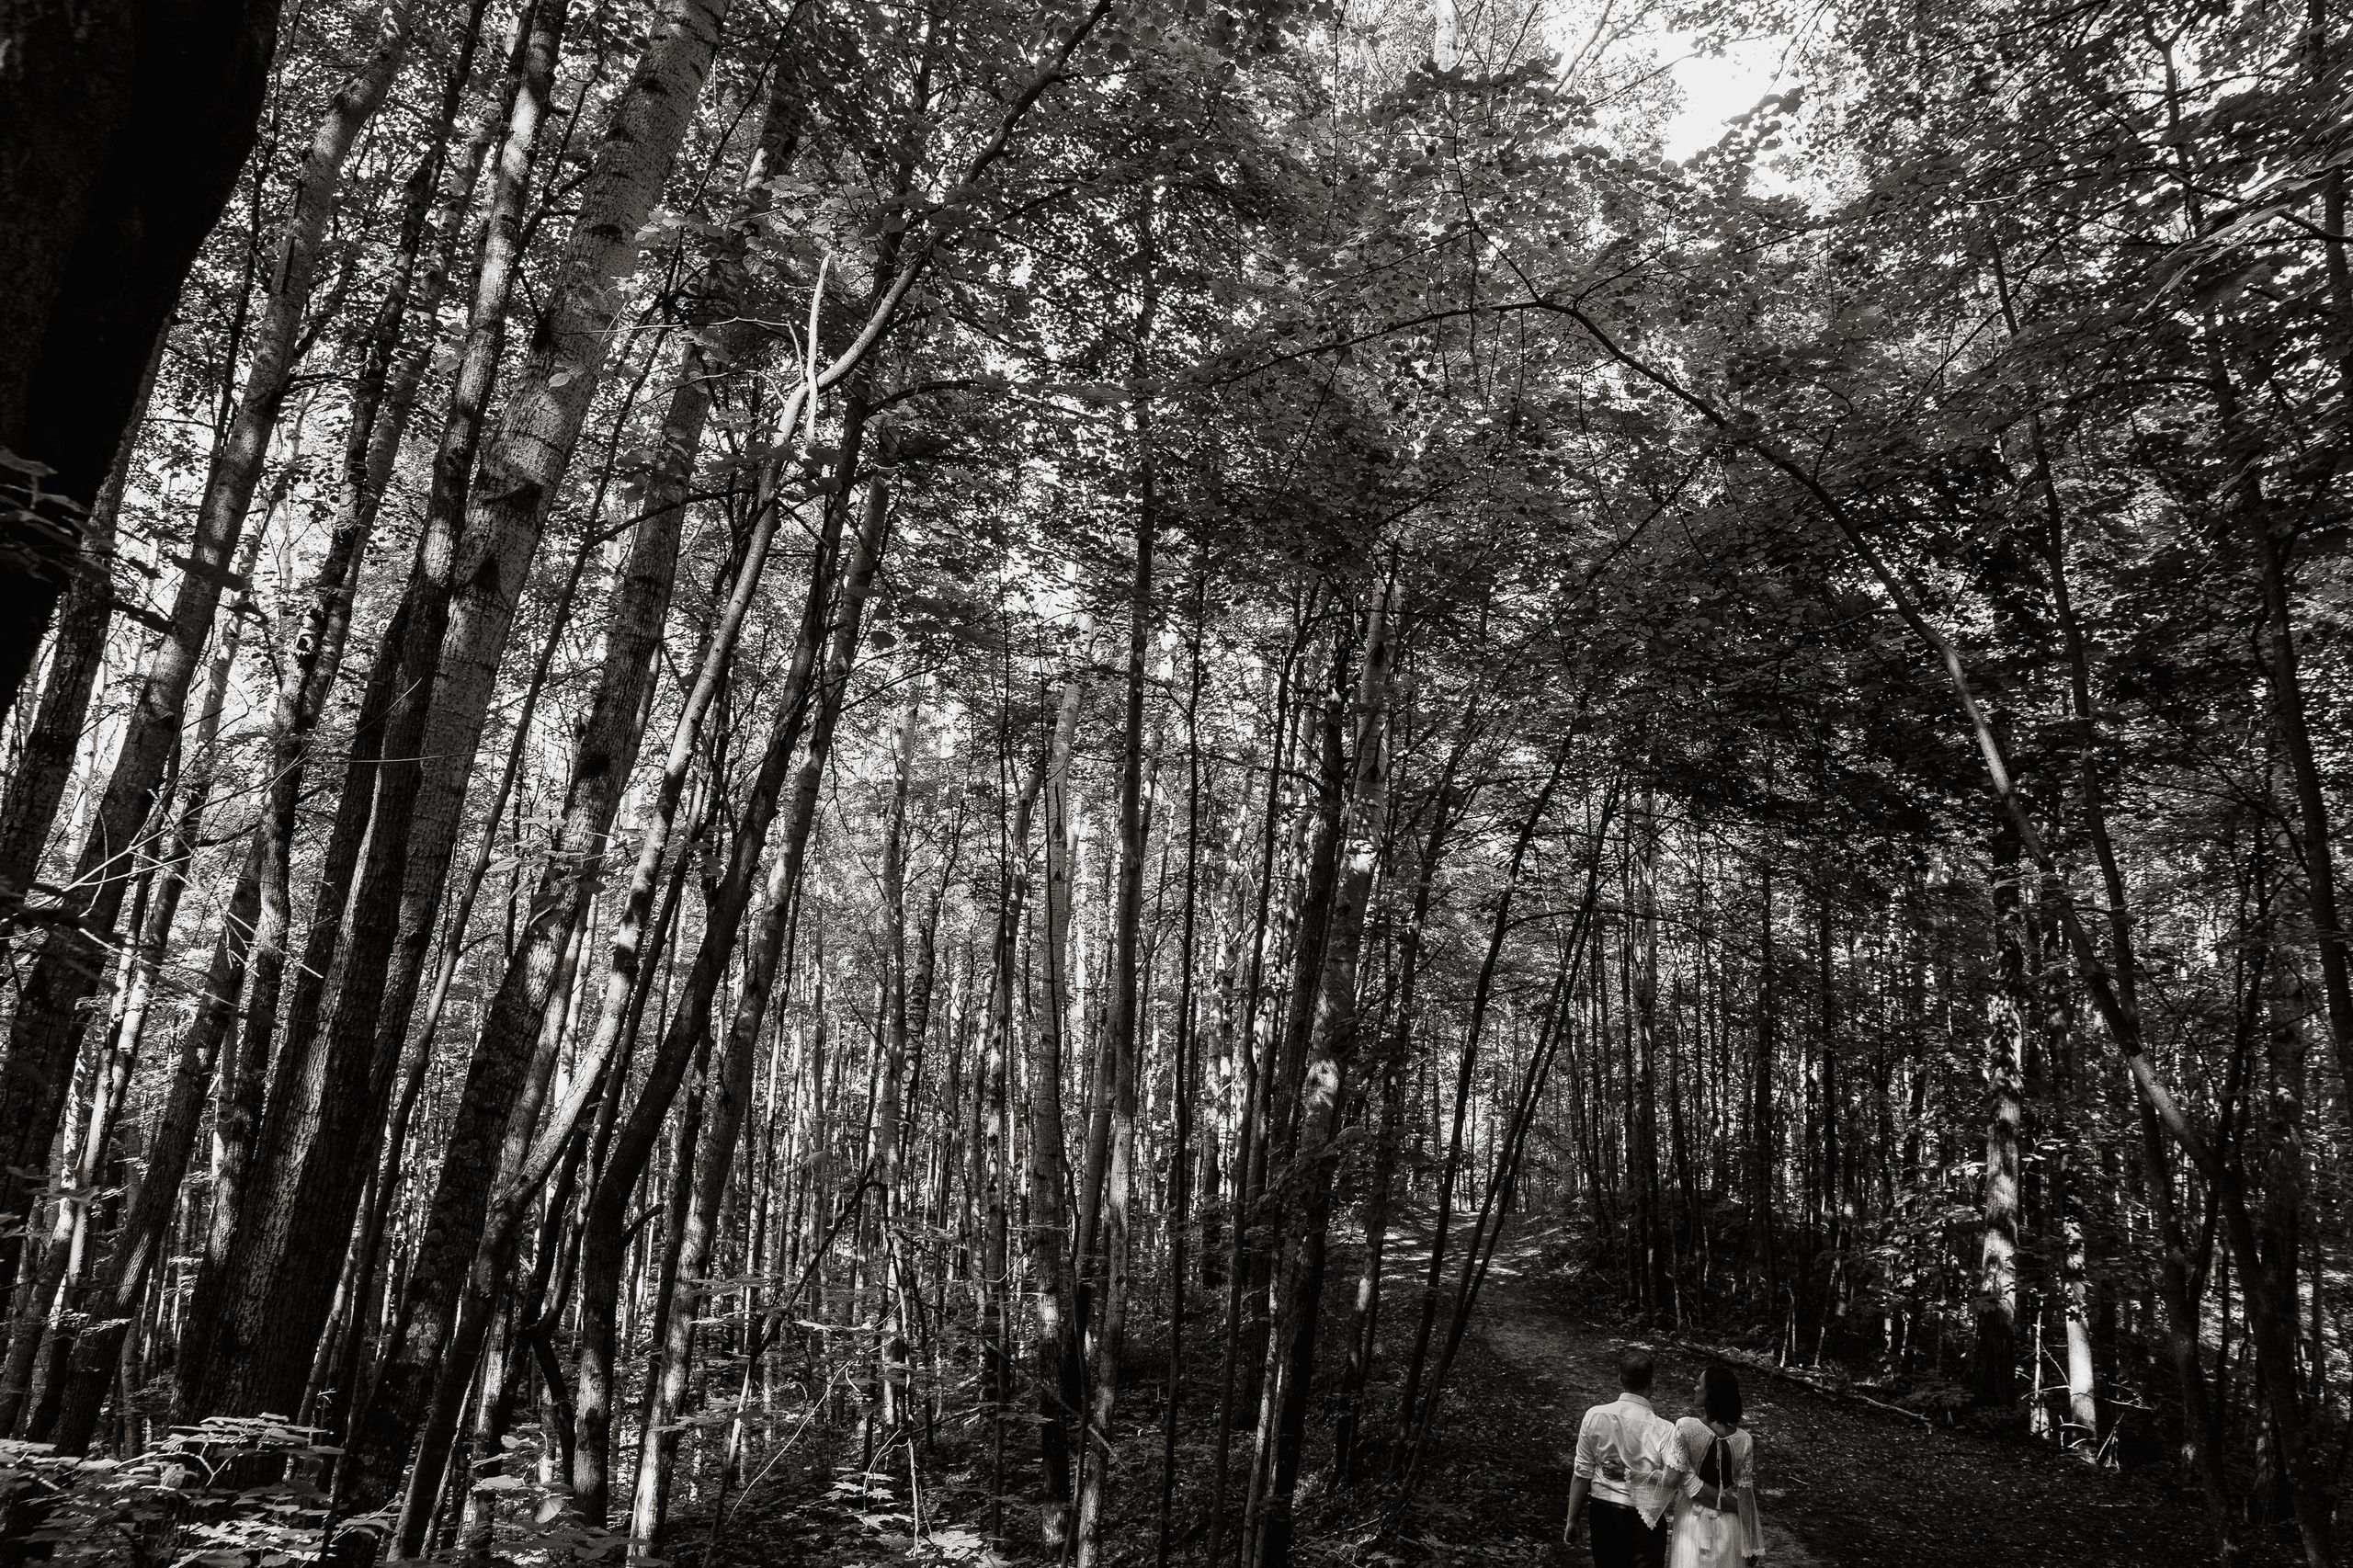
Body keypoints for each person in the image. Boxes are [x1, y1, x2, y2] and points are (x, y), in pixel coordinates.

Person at [1564, 1347, 1688, 1568]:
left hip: (1604, 1512)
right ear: (1651, 1384)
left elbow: (1582, 1473)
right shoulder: (1665, 1430)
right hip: (1645, 1516)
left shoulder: (1595, 1416)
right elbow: (1672, 1481)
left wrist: (1572, 1519)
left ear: (1620, 1378)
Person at [1668, 1365, 1766, 1566]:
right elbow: (1745, 1493)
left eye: (1699, 1384)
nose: (1695, 1389)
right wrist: (1751, 1540)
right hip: (1729, 1524)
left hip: (1691, 1521)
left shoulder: (1685, 1427)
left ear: (1711, 1393)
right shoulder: (1745, 1440)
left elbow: (1675, 1478)